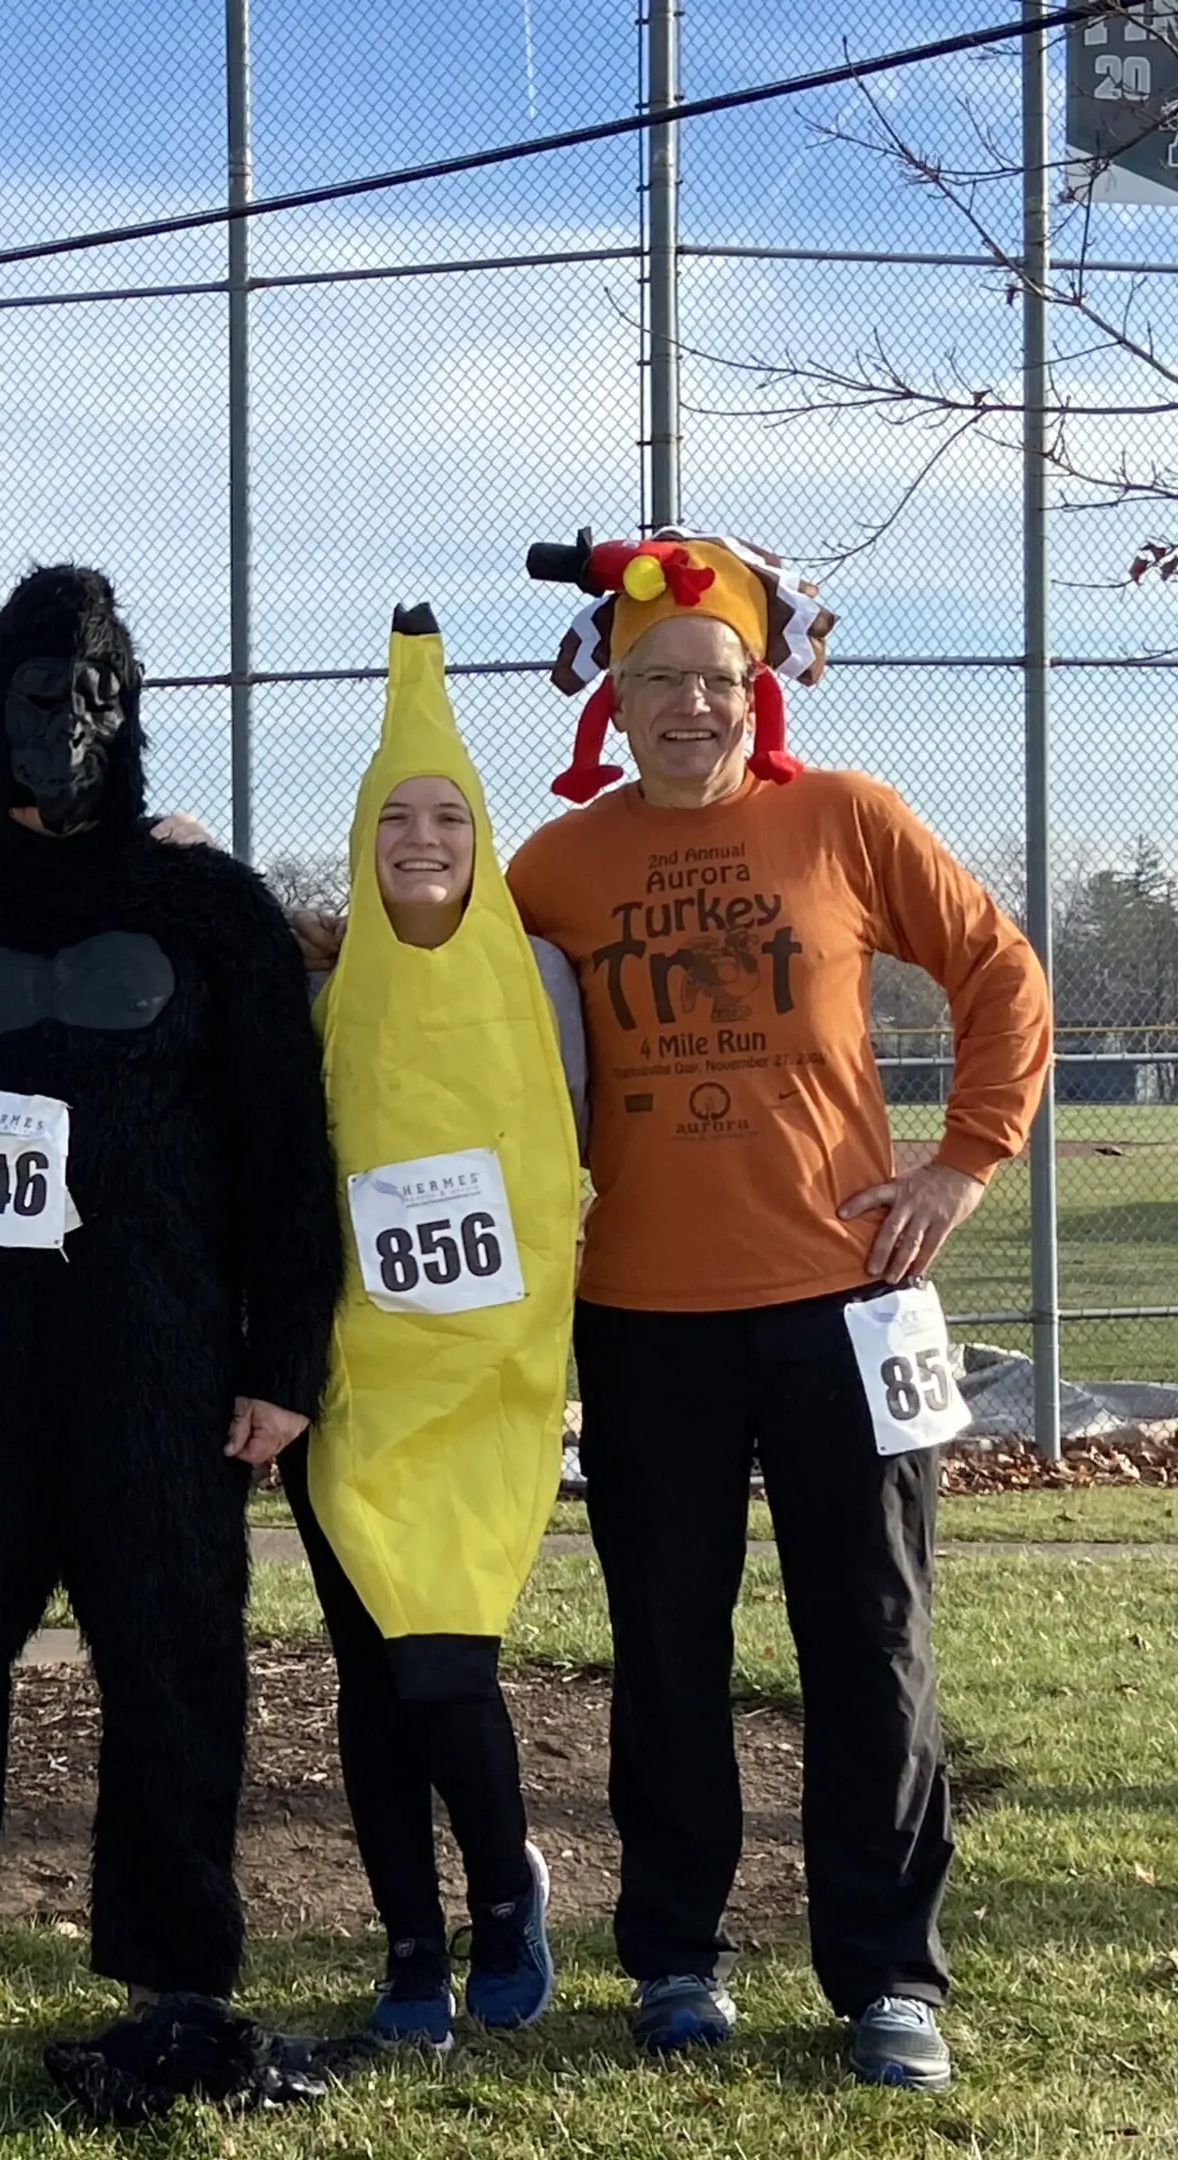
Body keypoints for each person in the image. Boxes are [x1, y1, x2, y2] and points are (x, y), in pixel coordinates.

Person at [0, 562, 350, 2116]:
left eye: (98, 696)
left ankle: (176, 1969)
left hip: (157, 1375)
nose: (69, 722)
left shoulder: (208, 907)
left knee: (177, 1671)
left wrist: (279, 1366)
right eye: (42, 694)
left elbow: (288, 1159)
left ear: (132, 715)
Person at [509, 527, 1053, 2092]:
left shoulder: (846, 819)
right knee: (665, 1647)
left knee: (873, 1641)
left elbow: (999, 973)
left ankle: (888, 1976)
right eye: (660, 680)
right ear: (611, 696)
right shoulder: (556, 866)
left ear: (759, 693)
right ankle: (677, 1958)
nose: (693, 706)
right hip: (643, 1315)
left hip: (851, 1300)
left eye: (720, 681)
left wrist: (958, 1166)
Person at [284, 604, 584, 2053]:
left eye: (445, 817)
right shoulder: (323, 1003)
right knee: (368, 1677)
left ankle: (506, 1899)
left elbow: (572, 1170)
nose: (420, 839)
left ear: (479, 839)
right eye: (394, 818)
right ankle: (409, 1940)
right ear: (363, 839)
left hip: (485, 1394)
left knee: (446, 1666)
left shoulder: (538, 987)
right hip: (356, 1398)